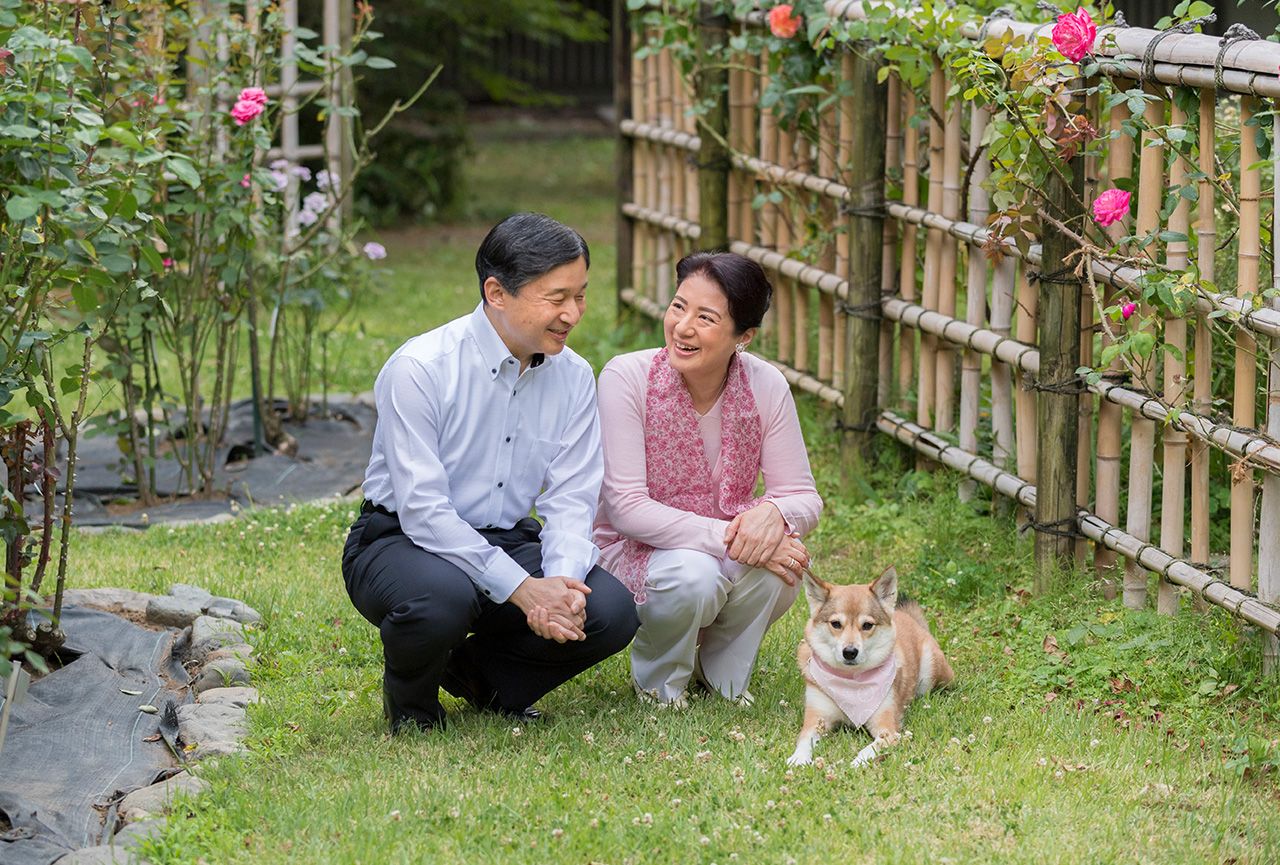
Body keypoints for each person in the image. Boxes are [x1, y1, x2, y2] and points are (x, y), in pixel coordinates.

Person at [342, 212, 639, 733]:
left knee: (611, 610)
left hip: (505, 537)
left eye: (581, 295)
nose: (573, 314)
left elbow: (572, 497)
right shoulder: (421, 368)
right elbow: (425, 514)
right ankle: (413, 710)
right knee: (442, 599)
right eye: (556, 298)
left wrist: (562, 583)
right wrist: (525, 590)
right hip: (401, 540)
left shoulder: (573, 376)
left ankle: (479, 677)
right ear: (497, 292)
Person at [594, 251, 823, 707]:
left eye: (706, 317)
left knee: (782, 566)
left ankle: (722, 677)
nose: (682, 327)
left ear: (744, 336)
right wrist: (735, 535)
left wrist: (774, 512)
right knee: (693, 574)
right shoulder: (627, 377)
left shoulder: (765, 385)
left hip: (719, 548)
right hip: (639, 551)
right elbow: (625, 507)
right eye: (679, 307)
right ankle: (660, 683)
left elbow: (803, 496)